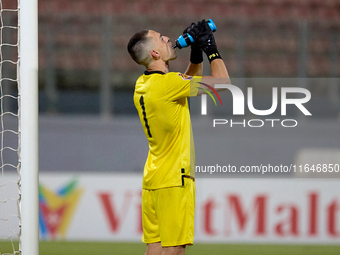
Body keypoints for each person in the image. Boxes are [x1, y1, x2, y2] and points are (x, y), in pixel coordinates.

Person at [127, 20, 230, 255]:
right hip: (175, 178)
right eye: (162, 38)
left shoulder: (143, 84)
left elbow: (185, 86)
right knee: (174, 250)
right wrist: (211, 47)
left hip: (153, 178)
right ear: (155, 52)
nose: (167, 39)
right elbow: (223, 84)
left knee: (154, 247)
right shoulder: (169, 84)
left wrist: (196, 53)